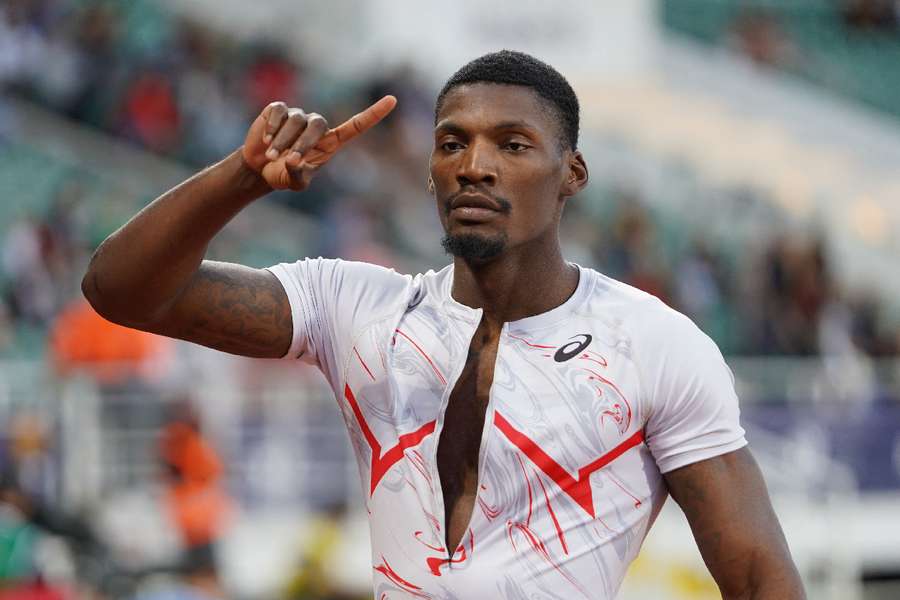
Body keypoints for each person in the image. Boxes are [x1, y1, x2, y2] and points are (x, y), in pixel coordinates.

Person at [82, 50, 805, 599]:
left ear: (573, 173)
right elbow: (120, 290)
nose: (474, 166)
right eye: (452, 143)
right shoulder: (354, 308)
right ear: (430, 171)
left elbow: (757, 574)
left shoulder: (653, 343)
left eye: (513, 145)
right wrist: (242, 178)